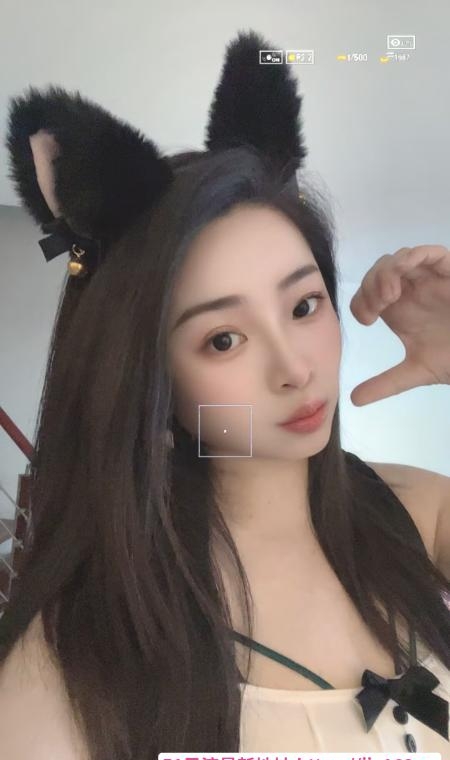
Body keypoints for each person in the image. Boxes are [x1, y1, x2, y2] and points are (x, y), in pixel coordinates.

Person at [0, 28, 449, 758]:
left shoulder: (416, 514)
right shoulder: (73, 662)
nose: (294, 368)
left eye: (303, 306)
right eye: (223, 339)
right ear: (148, 377)